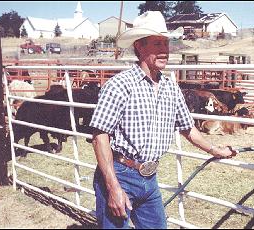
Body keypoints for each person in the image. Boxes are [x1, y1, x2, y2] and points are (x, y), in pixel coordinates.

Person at [89, 11, 237, 229]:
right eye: (157, 43)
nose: (164, 50)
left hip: (149, 179)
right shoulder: (120, 85)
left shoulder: (170, 87)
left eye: (166, 43)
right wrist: (113, 187)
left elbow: (188, 128)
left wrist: (216, 151)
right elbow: (99, 136)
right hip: (120, 174)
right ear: (140, 46)